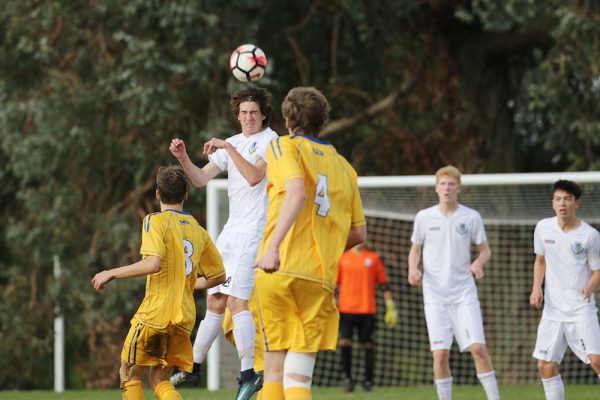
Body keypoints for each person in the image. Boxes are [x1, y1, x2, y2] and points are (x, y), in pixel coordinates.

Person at [253, 86, 367, 400]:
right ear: (323, 122)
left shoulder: (282, 147)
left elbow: (297, 192)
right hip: (318, 278)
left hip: (278, 270)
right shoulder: (346, 168)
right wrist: (330, 246)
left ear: (288, 120)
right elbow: (359, 233)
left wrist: (273, 247)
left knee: (274, 369)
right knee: (299, 377)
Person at [168, 85, 277, 399]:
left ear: (264, 115)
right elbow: (201, 179)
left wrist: (229, 150)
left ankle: (248, 374)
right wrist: (184, 157)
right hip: (231, 232)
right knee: (215, 300)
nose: (248, 118)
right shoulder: (234, 142)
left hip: (254, 232)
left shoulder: (271, 142)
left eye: (253, 113)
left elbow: (256, 177)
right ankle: (194, 367)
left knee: (236, 302)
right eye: (243, 113)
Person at [91, 165, 226, 400]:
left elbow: (153, 264)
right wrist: (188, 284)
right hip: (183, 319)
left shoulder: (155, 221)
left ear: (157, 194)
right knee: (160, 381)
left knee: (129, 376)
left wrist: (111, 272)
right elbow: (218, 277)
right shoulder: (199, 231)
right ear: (186, 194)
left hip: (156, 315)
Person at [407, 165, 500, 400]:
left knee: (478, 349)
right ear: (436, 188)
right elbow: (415, 249)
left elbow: (485, 251)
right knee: (440, 355)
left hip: (463, 293)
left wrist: (478, 263)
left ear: (458, 188)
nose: (447, 188)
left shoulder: (471, 217)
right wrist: (412, 269)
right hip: (434, 296)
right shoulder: (424, 217)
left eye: (451, 184)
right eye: (442, 184)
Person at [529, 179, 600, 400]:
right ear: (552, 203)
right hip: (552, 310)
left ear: (576, 204)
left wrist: (589, 287)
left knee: (597, 361)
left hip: (581, 309)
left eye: (567, 199)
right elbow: (540, 261)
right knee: (545, 366)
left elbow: (598, 270)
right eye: (558, 199)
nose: (562, 204)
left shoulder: (589, 235)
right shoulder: (543, 227)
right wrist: (536, 288)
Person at [336, 243, 398, 393]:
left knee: (368, 345)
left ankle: (368, 381)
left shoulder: (373, 258)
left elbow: (384, 284)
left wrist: (390, 305)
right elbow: (335, 285)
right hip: (346, 309)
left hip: (367, 309)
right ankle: (348, 380)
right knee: (344, 342)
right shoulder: (342, 258)